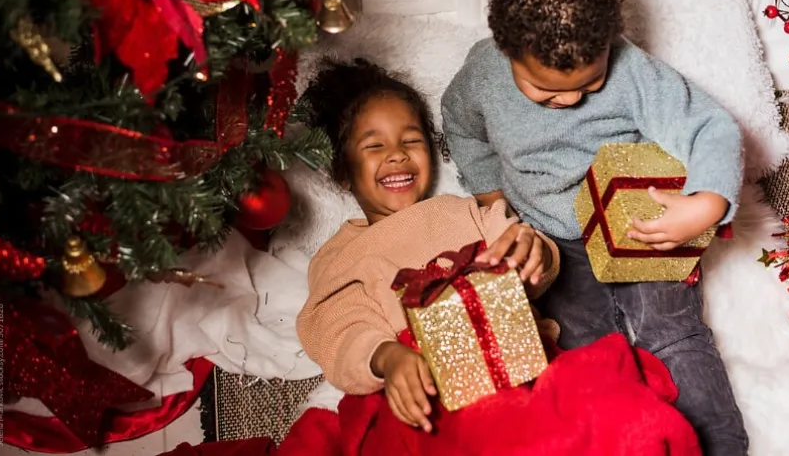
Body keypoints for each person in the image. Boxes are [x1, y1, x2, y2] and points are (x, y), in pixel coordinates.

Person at [292, 58, 701, 456]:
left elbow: (522, 248)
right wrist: (386, 357)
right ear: (343, 173)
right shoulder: (343, 255)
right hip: (430, 388)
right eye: (375, 145)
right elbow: (336, 331)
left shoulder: (462, 211)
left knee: (618, 413)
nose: (397, 154)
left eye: (411, 140)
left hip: (518, 364)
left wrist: (533, 253)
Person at [441, 0, 749, 456]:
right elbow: (461, 126)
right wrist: (494, 198)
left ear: (609, 42)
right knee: (582, 350)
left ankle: (720, 447)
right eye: (546, 91)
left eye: (589, 83)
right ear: (506, 51)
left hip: (635, 219)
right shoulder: (482, 76)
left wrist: (707, 203)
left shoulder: (632, 72)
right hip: (551, 237)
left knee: (672, 334)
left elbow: (709, 126)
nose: (568, 100)